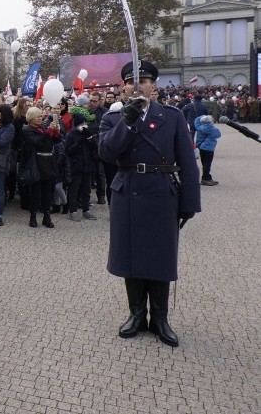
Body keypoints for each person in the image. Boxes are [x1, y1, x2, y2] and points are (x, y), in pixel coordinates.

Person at [99, 60, 201, 347]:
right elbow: (107, 152)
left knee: (160, 256)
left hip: (160, 192)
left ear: (153, 85)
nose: (137, 85)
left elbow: (187, 162)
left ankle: (159, 318)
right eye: (131, 81)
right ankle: (136, 314)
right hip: (127, 190)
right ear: (124, 86)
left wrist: (190, 200)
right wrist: (127, 122)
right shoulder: (113, 118)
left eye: (143, 80)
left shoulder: (172, 116)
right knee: (131, 255)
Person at [20, 107, 61, 228]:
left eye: (40, 116)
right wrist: (49, 131)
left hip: (49, 162)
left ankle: (46, 217)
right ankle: (32, 217)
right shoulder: (26, 130)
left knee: (47, 193)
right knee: (35, 192)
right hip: (36, 163)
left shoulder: (43, 128)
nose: (41, 118)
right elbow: (38, 142)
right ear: (31, 117)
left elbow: (56, 141)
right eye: (38, 116)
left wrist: (56, 132)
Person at [64, 112, 99, 222]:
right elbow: (68, 151)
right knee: (74, 189)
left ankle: (86, 210)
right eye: (81, 123)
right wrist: (78, 143)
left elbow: (95, 148)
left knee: (86, 189)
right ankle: (73, 211)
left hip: (87, 165)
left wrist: (90, 138)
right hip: (76, 165)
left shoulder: (87, 133)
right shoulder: (71, 134)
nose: (83, 125)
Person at [194, 115, 221, 186]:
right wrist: (211, 123)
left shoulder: (200, 127)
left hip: (202, 147)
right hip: (209, 149)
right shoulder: (211, 128)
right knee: (207, 164)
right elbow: (218, 134)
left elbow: (196, 121)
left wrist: (202, 117)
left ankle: (207, 177)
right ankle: (206, 178)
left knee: (204, 163)